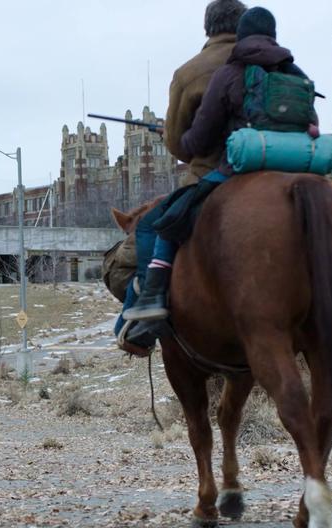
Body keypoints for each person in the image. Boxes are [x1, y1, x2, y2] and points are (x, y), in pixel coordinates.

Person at [123, 6, 319, 333]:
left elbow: (194, 140)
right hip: (296, 166)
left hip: (232, 168)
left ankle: (151, 302)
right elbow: (311, 121)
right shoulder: (293, 71)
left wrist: (173, 136)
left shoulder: (222, 73)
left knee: (163, 223)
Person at [115, 0, 247, 352]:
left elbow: (179, 146)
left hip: (212, 176)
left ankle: (146, 312)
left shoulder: (191, 72)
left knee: (150, 227)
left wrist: (166, 135)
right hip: (276, 166)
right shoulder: (273, 64)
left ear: (208, 28)